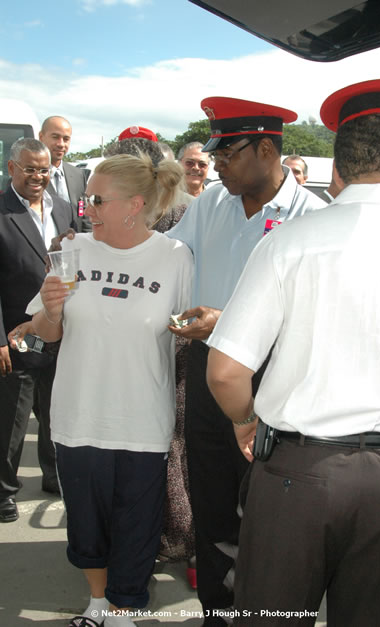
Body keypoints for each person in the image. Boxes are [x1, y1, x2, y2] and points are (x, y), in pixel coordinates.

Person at [206, 78, 380, 627]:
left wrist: (245, 422)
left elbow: (226, 371)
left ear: (339, 169)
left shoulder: (289, 241)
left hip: (297, 475)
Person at [166, 96, 326, 625]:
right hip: (211, 373)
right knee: (211, 502)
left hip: (276, 379)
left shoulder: (313, 218)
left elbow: (313, 313)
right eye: (212, 157)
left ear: (265, 148)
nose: (216, 167)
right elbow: (169, 255)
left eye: (226, 155)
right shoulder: (211, 203)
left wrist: (228, 322)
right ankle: (219, 611)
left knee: (270, 511)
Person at [20, 153, 192, 627]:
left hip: (142, 420)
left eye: (96, 199)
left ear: (133, 205)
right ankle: (98, 603)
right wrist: (50, 311)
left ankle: (123, 610)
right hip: (78, 416)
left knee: (137, 526)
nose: (86, 207)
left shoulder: (174, 258)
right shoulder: (73, 250)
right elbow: (45, 331)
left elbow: (184, 328)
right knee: (87, 521)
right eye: (86, 198)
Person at [105, 131, 196, 579]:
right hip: (168, 341)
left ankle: (165, 535)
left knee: (153, 443)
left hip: (150, 343)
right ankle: (173, 535)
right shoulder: (180, 208)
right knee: (169, 440)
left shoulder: (156, 213)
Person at [0, 138, 77, 522]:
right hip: (16, 333)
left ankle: (53, 475)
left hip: (58, 331)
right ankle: (4, 491)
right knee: (12, 417)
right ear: (11, 168)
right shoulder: (1, 210)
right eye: (29, 168)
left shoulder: (62, 209)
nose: (37, 176)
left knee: (54, 410)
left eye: (44, 169)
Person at [40, 116, 90, 232]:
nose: (61, 144)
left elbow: (84, 214)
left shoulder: (78, 175)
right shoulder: (30, 176)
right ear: (41, 137)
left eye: (66, 139)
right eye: (55, 137)